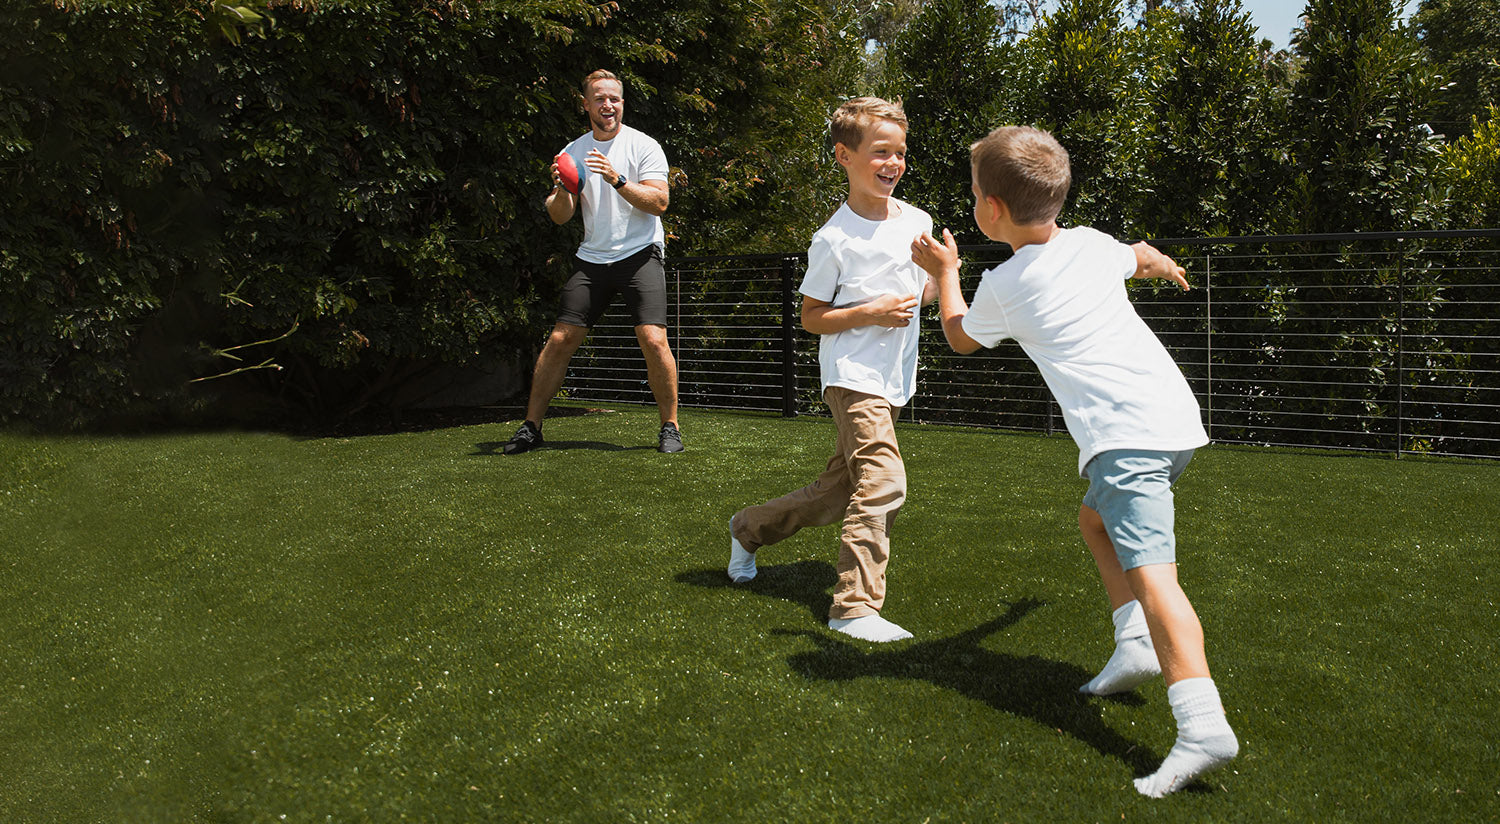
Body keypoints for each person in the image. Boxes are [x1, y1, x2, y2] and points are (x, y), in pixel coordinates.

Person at [909, 125, 1239, 797]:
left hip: (1126, 440)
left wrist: (946, 275)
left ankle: (1202, 726)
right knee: (1095, 523)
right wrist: (1163, 265)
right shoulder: (1091, 244)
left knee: (1159, 583)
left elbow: (958, 337)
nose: (972, 203)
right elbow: (1139, 255)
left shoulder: (1003, 283)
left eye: (974, 194)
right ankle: (1134, 644)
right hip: (1174, 425)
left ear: (992, 210)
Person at [726, 97, 936, 643]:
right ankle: (853, 607)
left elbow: (923, 293)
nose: (892, 164)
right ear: (844, 156)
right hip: (851, 376)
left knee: (837, 491)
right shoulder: (833, 238)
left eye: (900, 153)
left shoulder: (917, 220)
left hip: (892, 378)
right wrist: (871, 312)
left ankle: (748, 529)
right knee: (884, 480)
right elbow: (811, 317)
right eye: (880, 152)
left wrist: (944, 275)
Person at [503, 69, 683, 455]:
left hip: (640, 254)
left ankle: (670, 427)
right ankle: (531, 427)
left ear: (622, 103)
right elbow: (560, 215)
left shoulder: (643, 145)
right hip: (593, 258)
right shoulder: (572, 152)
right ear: (586, 104)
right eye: (600, 99)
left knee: (653, 338)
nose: (608, 105)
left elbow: (660, 202)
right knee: (560, 338)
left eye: (614, 98)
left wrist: (617, 179)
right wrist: (564, 188)